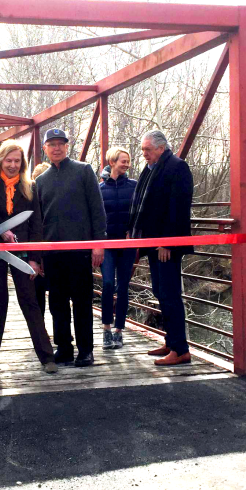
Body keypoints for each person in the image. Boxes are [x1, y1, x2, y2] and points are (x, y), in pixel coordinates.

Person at [0, 143, 56, 374]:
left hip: (24, 250)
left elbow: (36, 223)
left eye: (17, 161)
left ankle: (47, 357)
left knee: (29, 300)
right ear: (1, 160)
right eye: (9, 160)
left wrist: (35, 259)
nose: (12, 165)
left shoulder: (30, 186)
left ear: (22, 163)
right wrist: (1, 230)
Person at [34, 128, 106, 367]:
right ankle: (64, 347)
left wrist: (98, 244)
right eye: (51, 144)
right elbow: (38, 220)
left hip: (80, 249)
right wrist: (40, 254)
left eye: (60, 144)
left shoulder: (83, 171)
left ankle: (86, 350)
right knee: (57, 302)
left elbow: (97, 209)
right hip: (53, 252)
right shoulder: (40, 181)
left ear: (67, 146)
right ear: (45, 149)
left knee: (83, 301)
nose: (56, 148)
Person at [127, 130, 194, 366]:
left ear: (161, 147)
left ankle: (181, 350)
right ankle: (171, 342)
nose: (143, 154)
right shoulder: (151, 169)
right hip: (153, 243)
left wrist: (168, 242)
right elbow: (143, 205)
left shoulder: (177, 167)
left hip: (166, 245)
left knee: (170, 294)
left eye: (147, 149)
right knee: (160, 292)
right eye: (143, 149)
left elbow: (178, 208)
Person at [99, 147, 138, 350]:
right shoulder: (100, 188)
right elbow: (95, 217)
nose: (127, 164)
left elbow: (140, 213)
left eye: (128, 161)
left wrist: (133, 232)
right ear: (112, 161)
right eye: (123, 160)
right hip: (107, 245)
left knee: (123, 286)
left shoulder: (134, 186)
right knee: (107, 284)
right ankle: (106, 329)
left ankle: (119, 331)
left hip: (127, 244)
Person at [31, 162, 50, 315]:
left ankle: (41, 329)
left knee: (38, 295)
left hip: (39, 252)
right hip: (45, 251)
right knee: (58, 293)